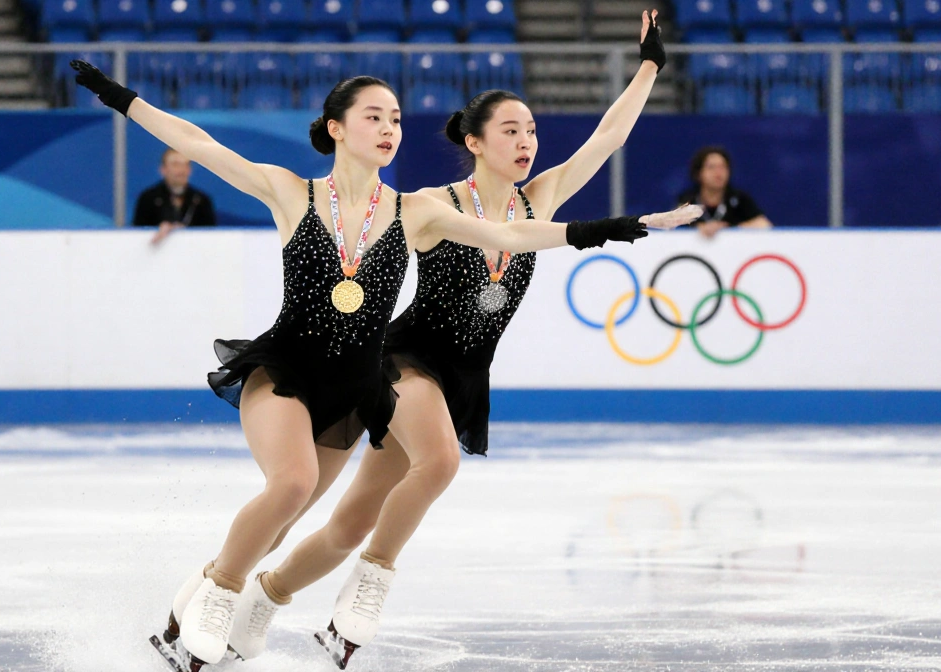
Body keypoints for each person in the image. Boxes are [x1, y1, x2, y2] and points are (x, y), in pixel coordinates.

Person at [70, 61, 659, 670]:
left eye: (396, 119)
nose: (388, 128)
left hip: (352, 390)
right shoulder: (291, 191)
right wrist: (122, 97)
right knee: (293, 484)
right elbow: (199, 143)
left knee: (294, 521)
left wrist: (605, 229)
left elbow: (510, 237)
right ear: (336, 127)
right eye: (373, 117)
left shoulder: (413, 212)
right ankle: (220, 593)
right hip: (286, 371)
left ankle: (194, 606)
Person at [230, 12, 699, 669]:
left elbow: (607, 138)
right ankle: (369, 587)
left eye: (531, 130)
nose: (526, 141)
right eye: (510, 130)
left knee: (351, 523)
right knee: (441, 464)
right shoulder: (430, 203)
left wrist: (650, 65)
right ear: (476, 142)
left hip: (462, 377)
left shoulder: (541, 199)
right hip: (404, 361)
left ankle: (265, 597)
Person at [677, 146, 773, 239]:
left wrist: (730, 229)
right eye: (711, 167)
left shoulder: (738, 199)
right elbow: (675, 227)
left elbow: (764, 224)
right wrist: (698, 229)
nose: (718, 173)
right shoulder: (688, 200)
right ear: (698, 173)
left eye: (723, 167)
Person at [133, 148, 216, 245]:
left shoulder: (201, 200)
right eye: (176, 164)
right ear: (163, 169)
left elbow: (211, 235)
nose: (181, 170)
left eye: (186, 164)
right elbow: (137, 232)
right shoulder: (148, 198)